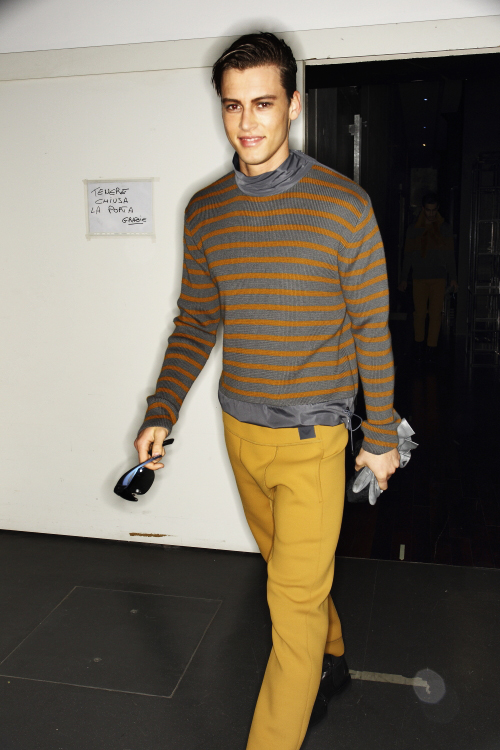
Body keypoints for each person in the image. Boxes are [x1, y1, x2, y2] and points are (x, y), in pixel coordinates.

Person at [134, 32, 400, 750]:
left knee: (291, 604)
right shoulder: (206, 210)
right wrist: (162, 408)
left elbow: (371, 329)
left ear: (294, 106)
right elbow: (197, 321)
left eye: (262, 103)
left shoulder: (343, 207)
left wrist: (380, 436)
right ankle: (333, 657)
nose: (247, 121)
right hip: (241, 433)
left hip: (316, 438)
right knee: (292, 572)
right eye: (233, 105)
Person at [399, 192, 458, 362]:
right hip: (419, 276)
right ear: (423, 209)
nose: (431, 214)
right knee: (419, 314)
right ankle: (419, 345)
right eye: (428, 210)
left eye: (434, 210)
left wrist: (453, 277)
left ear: (437, 209)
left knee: (435, 314)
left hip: (438, 276)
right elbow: (408, 255)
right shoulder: (413, 229)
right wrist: (404, 278)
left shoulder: (444, 228)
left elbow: (450, 254)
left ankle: (431, 348)